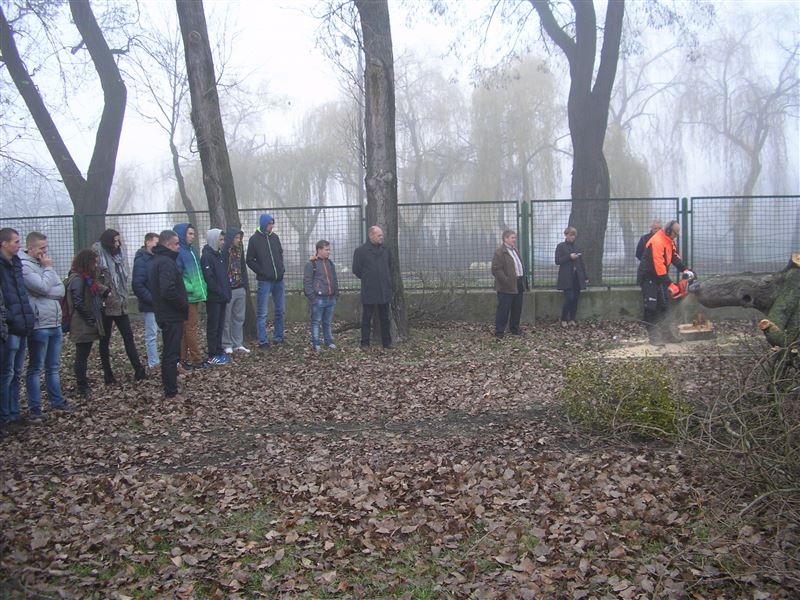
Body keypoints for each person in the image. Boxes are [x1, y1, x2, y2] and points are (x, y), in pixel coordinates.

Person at [21, 232, 72, 420]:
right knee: (36, 368)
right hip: (39, 323)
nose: (45, 251)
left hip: (54, 321)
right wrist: (48, 270)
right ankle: (35, 408)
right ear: (30, 248)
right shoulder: (25, 266)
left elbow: (60, 290)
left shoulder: (44, 265)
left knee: (53, 366)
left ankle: (56, 401)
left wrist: (45, 287)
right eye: (41, 248)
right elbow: (41, 287)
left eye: (45, 247)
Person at [93, 229, 147, 383]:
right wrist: (105, 291)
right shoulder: (97, 255)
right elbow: (92, 279)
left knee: (128, 337)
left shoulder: (119, 256)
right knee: (105, 340)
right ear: (107, 242)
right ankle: (108, 374)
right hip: (106, 304)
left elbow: (122, 275)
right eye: (115, 241)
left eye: (118, 240)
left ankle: (139, 370)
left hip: (121, 302)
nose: (117, 244)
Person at [0, 228, 35, 429]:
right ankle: (5, 416)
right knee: (7, 373)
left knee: (16, 372)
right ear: (4, 243)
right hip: (10, 327)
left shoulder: (16, 263)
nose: (19, 245)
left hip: (22, 324)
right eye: (15, 242)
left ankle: (14, 413)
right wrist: (11, 318)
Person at [148, 230, 189, 399]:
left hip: (166, 313)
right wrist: (182, 304)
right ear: (167, 244)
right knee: (171, 353)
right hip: (171, 315)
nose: (179, 247)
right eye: (176, 243)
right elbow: (167, 290)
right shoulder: (165, 262)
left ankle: (170, 385)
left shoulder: (159, 260)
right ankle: (171, 391)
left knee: (170, 352)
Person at [640, 220, 694, 344]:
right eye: (675, 233)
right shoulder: (657, 242)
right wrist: (670, 284)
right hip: (648, 277)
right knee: (651, 307)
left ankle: (667, 335)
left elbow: (674, 257)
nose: (676, 236)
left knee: (664, 306)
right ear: (669, 231)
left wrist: (685, 270)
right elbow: (659, 266)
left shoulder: (669, 241)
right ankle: (653, 335)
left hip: (660, 277)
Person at [66, 249, 110, 398]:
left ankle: (83, 382)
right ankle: (82, 384)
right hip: (81, 323)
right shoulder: (78, 279)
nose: (95, 265)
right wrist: (90, 319)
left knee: (83, 354)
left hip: (85, 321)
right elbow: (78, 302)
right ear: (87, 262)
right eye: (94, 262)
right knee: (82, 355)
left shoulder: (85, 278)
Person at [246, 214, 285, 350]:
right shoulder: (254, 239)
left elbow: (280, 254)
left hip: (279, 280)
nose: (271, 226)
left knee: (280, 310)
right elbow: (249, 260)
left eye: (272, 224)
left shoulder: (275, 237)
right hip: (264, 281)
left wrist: (281, 268)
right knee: (262, 313)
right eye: (269, 224)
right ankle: (262, 341)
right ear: (263, 224)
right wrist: (261, 271)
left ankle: (278, 337)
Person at [173, 223, 208, 369]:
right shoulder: (180, 253)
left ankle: (182, 358)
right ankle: (196, 359)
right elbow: (178, 276)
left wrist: (202, 287)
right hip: (188, 297)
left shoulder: (192, 251)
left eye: (193, 233)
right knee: (190, 328)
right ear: (182, 235)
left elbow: (198, 273)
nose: (193, 236)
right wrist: (190, 288)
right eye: (190, 234)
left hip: (196, 295)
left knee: (187, 328)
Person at [352, 225, 393, 349]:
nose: (381, 237)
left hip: (384, 289)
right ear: (371, 235)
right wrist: (368, 278)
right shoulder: (360, 251)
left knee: (385, 318)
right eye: (379, 235)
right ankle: (365, 343)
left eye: (382, 235)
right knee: (366, 318)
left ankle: (387, 342)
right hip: (369, 290)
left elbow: (390, 267)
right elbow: (356, 270)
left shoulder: (386, 250)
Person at [201, 228, 231, 365]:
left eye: (223, 239)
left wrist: (226, 292)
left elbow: (223, 276)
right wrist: (220, 291)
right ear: (214, 240)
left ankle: (219, 350)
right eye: (220, 239)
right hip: (214, 298)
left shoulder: (219, 255)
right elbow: (210, 279)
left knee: (220, 325)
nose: (222, 242)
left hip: (222, 297)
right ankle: (212, 353)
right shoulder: (206, 257)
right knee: (213, 326)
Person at [303, 240, 339, 352]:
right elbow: (307, 281)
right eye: (326, 249)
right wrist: (312, 297)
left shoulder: (330, 263)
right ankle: (316, 343)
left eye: (329, 249)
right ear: (319, 250)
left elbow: (334, 278)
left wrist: (336, 293)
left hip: (330, 298)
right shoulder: (311, 264)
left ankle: (329, 341)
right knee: (316, 322)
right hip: (318, 299)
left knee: (327, 322)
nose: (329, 252)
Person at [491, 229, 528, 338]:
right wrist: (506, 280)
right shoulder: (499, 252)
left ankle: (514, 329)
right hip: (506, 286)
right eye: (512, 238)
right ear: (505, 238)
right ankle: (499, 332)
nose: (514, 240)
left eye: (515, 237)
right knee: (504, 309)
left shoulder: (515, 250)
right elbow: (496, 269)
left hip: (518, 283)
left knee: (517, 308)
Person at [132, 233, 160, 373]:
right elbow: (137, 284)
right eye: (156, 242)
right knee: (152, 334)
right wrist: (152, 299)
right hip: (150, 305)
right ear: (148, 242)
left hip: (160, 303)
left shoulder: (157, 258)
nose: (158, 245)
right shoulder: (141, 260)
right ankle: (153, 363)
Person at [221, 227, 249, 354]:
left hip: (240, 287)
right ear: (230, 238)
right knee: (226, 318)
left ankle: (237, 344)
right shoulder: (224, 250)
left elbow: (243, 267)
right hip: (229, 289)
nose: (239, 240)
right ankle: (226, 344)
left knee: (239, 318)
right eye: (236, 238)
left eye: (240, 238)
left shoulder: (240, 249)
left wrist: (245, 286)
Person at [555, 226, 589, 327]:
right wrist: (569, 257)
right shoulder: (561, 246)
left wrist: (585, 276)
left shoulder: (577, 247)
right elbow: (557, 260)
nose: (573, 237)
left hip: (577, 277)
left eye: (574, 235)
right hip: (566, 277)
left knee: (576, 298)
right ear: (566, 235)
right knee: (569, 298)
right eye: (571, 235)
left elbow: (581, 262)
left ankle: (572, 319)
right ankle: (563, 318)